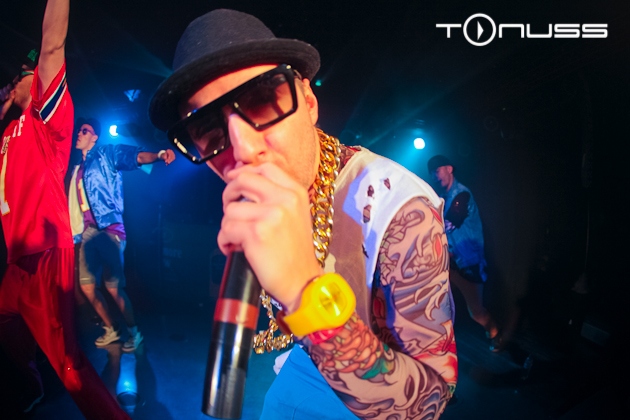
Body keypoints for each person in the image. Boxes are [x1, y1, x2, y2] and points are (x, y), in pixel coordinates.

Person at [149, 9, 457, 419]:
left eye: (260, 100)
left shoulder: (401, 211)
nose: (243, 149)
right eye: (208, 128)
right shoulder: (258, 204)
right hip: (307, 361)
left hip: (385, 379)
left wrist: (303, 292)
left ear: (308, 102)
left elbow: (429, 403)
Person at [0, 0, 130, 418]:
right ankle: (32, 385)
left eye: (23, 76)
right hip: (18, 260)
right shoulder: (9, 130)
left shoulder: (47, 123)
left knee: (69, 365)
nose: (16, 81)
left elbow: (52, 45)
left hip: (46, 252)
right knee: (5, 323)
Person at [68, 117, 175, 352]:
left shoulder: (106, 153)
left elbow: (136, 157)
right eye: (79, 130)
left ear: (94, 137)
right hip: (88, 232)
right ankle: (111, 328)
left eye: (85, 131)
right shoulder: (77, 168)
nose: (79, 133)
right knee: (87, 287)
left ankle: (134, 333)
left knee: (113, 287)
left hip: (109, 228)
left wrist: (159, 155)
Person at [427, 154, 502, 351]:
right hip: (451, 260)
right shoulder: (443, 198)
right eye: (432, 173)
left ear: (449, 169)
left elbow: (448, 224)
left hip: (469, 262)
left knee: (476, 312)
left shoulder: (462, 194)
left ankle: (495, 332)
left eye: (437, 171)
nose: (435, 176)